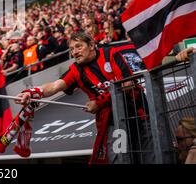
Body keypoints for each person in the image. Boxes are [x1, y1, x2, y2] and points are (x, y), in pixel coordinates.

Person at [16, 32, 150, 164]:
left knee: (150, 155)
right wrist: (32, 93)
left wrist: (98, 103)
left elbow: (127, 84)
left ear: (91, 45)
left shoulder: (110, 54)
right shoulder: (75, 70)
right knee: (119, 159)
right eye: (71, 49)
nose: (74, 52)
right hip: (113, 122)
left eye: (79, 47)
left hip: (140, 114)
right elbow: (54, 86)